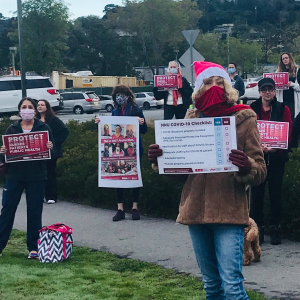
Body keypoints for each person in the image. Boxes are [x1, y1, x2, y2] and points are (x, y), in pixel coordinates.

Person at [148, 61, 266, 299]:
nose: (213, 87)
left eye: (219, 82)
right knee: (211, 286)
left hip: (228, 212)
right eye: (208, 82)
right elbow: (181, 171)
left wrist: (247, 166)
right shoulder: (191, 117)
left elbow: (261, 171)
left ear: (229, 88)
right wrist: (161, 159)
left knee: (232, 287)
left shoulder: (244, 118)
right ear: (198, 89)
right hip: (196, 212)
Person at [0, 97, 55, 259]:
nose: (27, 109)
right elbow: (5, 157)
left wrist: (50, 148)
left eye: (30, 106)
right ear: (19, 110)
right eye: (24, 107)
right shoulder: (11, 129)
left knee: (34, 212)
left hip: (36, 176)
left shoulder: (43, 127)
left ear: (35, 110)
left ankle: (34, 248)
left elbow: (53, 155)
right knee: (7, 210)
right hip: (15, 176)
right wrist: (2, 152)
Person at [250, 78, 292, 245]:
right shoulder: (251, 109)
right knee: (257, 195)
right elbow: (247, 131)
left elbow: (287, 132)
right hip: (257, 158)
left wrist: (276, 148)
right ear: (260, 91)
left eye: (270, 89)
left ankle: (275, 227)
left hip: (276, 158)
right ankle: (257, 228)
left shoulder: (283, 108)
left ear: (275, 91)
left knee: (275, 195)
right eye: (264, 89)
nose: (268, 92)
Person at [96, 85, 147, 221]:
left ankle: (135, 207)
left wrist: (142, 123)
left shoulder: (136, 110)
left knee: (134, 176)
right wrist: (100, 123)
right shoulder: (114, 111)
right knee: (118, 176)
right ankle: (120, 209)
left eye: (122, 94)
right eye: (117, 95)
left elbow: (144, 130)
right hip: (118, 150)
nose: (120, 97)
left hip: (133, 150)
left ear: (128, 95)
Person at [36, 99, 69, 204]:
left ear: (47, 107)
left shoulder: (54, 120)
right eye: (38, 105)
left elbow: (65, 131)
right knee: (38, 174)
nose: (40, 106)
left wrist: (54, 143)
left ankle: (51, 196)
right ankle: (39, 195)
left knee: (50, 173)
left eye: (42, 105)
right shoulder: (35, 120)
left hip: (50, 152)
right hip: (37, 152)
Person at [276, 52, 300, 119]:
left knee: (292, 118)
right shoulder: (279, 72)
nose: (285, 60)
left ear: (290, 59)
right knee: (283, 118)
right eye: (283, 59)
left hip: (293, 100)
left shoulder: (297, 70)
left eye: (286, 58)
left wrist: (292, 84)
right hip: (282, 100)